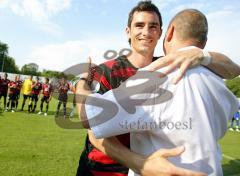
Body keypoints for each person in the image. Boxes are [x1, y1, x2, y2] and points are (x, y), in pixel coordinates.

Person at [75, 1, 240, 176]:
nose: (146, 32)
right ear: (128, 31)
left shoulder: (173, 66)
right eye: (139, 25)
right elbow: (93, 128)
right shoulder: (107, 70)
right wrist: (140, 164)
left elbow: (233, 69)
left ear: (163, 33)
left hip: (151, 168)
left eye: (153, 26)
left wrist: (203, 54)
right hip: (102, 169)